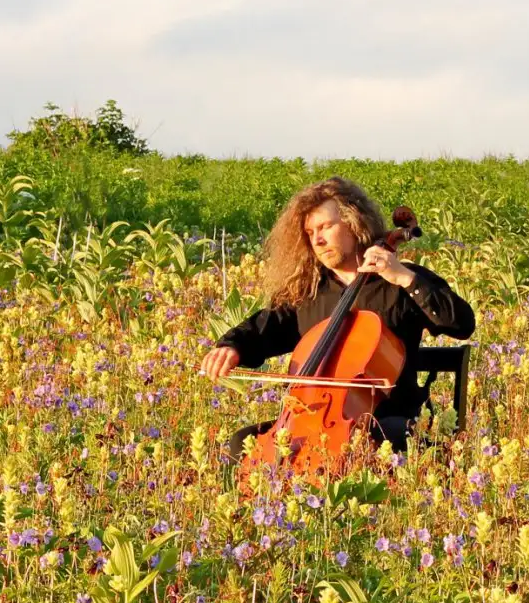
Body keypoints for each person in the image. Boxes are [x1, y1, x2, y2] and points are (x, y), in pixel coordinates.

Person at [199, 176, 475, 462]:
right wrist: (231, 346)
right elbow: (265, 327)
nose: (317, 239)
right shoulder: (308, 292)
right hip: (314, 424)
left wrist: (405, 278)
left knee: (393, 439)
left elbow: (461, 324)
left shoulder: (399, 281)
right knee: (241, 444)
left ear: (354, 223)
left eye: (325, 227)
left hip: (387, 423)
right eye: (310, 232)